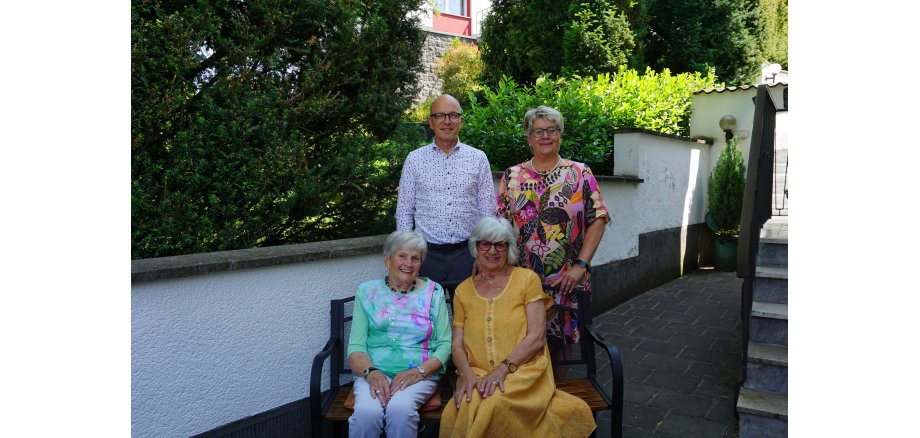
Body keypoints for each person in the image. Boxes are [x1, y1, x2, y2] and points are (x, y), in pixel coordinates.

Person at [439, 217, 595, 437]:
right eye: (486, 243)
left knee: (494, 402)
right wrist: (465, 374)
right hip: (477, 372)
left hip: (523, 371)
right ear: (476, 247)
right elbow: (457, 343)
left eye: (500, 244)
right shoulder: (463, 290)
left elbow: (537, 336)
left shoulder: (526, 280)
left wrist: (502, 370)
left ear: (509, 249)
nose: (492, 251)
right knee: (466, 402)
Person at [495, 105, 610, 376]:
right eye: (538, 132)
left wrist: (580, 265)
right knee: (521, 340)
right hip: (523, 279)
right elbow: (499, 226)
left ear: (560, 135)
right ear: (529, 137)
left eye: (551, 130)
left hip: (567, 277)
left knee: (561, 346)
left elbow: (599, 219)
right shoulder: (512, 177)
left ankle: (555, 400)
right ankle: (528, 401)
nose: (545, 136)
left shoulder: (580, 173)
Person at [346, 230, 452, 438]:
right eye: (401, 256)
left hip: (420, 374)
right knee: (367, 412)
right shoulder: (367, 292)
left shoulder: (434, 292)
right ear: (387, 259)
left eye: (415, 258)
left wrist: (419, 372)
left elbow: (445, 344)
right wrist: (371, 373)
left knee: (400, 410)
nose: (408, 263)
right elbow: (356, 345)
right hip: (374, 372)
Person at [395, 94, 495, 296]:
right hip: (426, 257)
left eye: (453, 115)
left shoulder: (478, 158)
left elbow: (488, 213)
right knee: (425, 321)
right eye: (440, 115)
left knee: (469, 320)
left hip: (467, 256)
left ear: (461, 120)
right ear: (431, 122)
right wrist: (407, 257)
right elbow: (404, 212)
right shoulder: (414, 159)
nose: (447, 121)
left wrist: (482, 255)